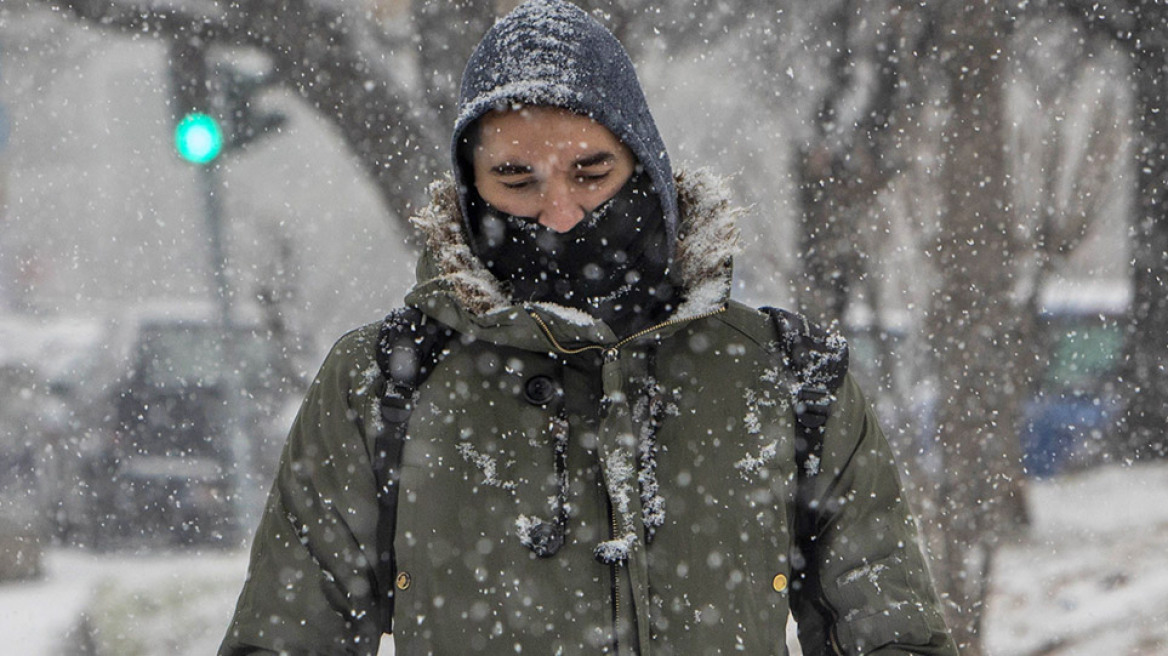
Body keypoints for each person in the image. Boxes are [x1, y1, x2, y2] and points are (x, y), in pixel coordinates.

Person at [220, 1, 958, 654]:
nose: (561, 212)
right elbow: (285, 639)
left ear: (646, 167)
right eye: (517, 180)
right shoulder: (382, 386)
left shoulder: (787, 377)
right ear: (470, 190)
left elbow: (895, 632)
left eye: (590, 171)